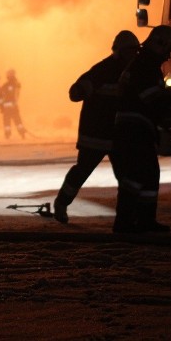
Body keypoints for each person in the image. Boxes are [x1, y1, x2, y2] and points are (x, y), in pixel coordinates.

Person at [52, 31, 140, 224]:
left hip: (117, 135)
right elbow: (75, 92)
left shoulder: (134, 72)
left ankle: (127, 216)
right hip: (96, 135)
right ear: (119, 52)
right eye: (130, 51)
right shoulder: (103, 69)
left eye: (135, 51)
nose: (133, 55)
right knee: (82, 171)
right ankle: (61, 204)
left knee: (126, 177)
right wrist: (82, 88)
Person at [111, 25, 171, 233]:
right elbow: (151, 99)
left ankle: (143, 221)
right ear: (160, 45)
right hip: (135, 130)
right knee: (137, 176)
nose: (170, 55)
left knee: (149, 174)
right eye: (170, 49)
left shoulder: (141, 63)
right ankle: (125, 222)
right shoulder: (146, 66)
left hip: (133, 128)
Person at [0, 69, 27, 139]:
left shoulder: (8, 85)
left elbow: (1, 93)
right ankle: (22, 133)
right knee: (17, 120)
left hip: (8, 106)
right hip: (13, 106)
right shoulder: (16, 83)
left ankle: (7, 135)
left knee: (7, 122)